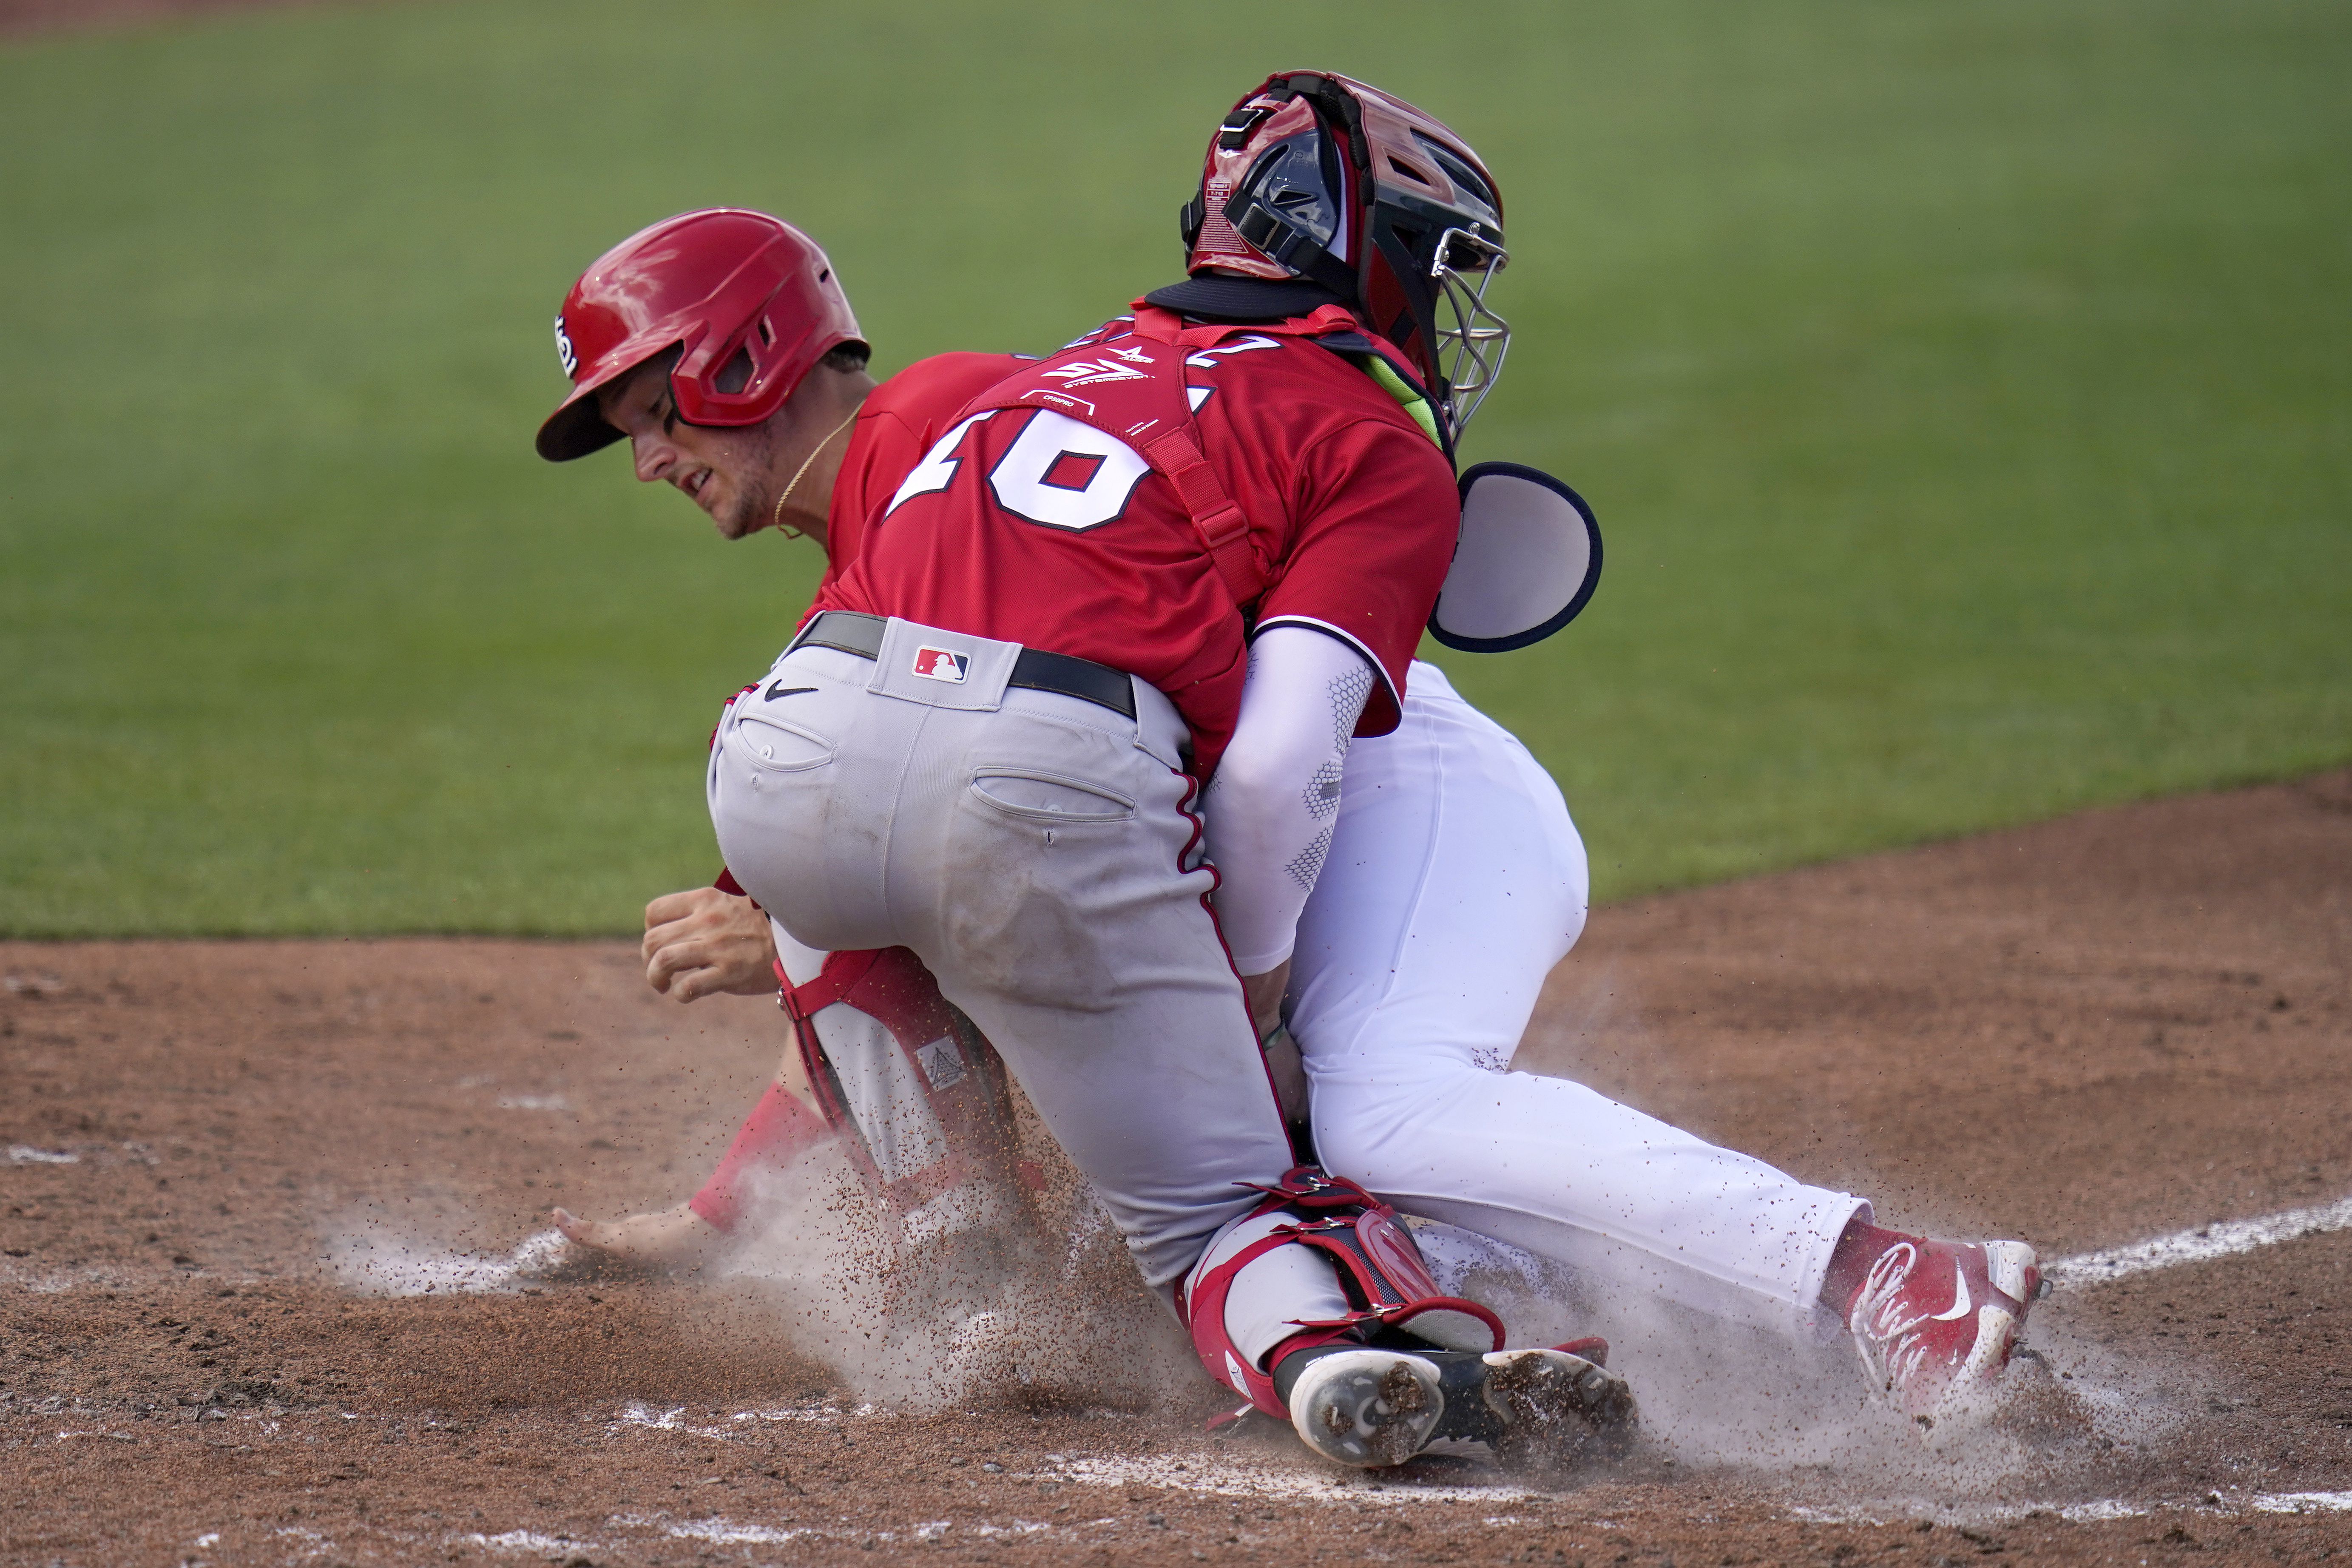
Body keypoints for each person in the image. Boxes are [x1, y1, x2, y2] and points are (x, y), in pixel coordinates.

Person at [537, 71, 2043, 1449]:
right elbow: (945, 879)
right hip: (1200, 794)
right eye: (1436, 268)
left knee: (1372, 1107)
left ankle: (1891, 1278)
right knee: (1237, 1137)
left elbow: (1256, 774)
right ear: (1368, 253)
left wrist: (1233, 989)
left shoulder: (1023, 391)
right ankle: (1479, 1330)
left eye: (653, 418)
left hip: (1402, 796)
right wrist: (732, 1197)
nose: (652, 459)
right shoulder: (1311, 428)